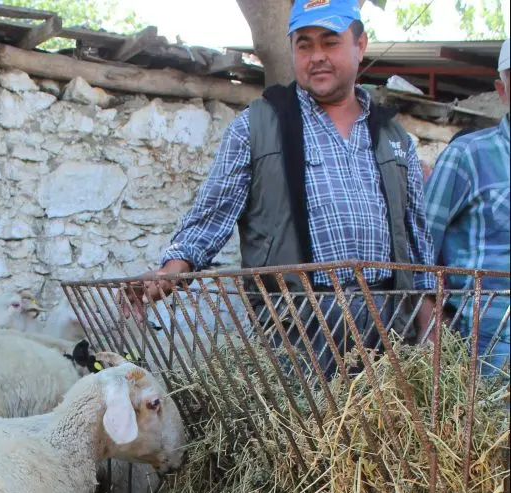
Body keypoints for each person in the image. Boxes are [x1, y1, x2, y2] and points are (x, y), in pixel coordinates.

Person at [124, 0, 436, 375]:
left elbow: (417, 245)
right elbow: (211, 216)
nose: (316, 56)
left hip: (385, 328)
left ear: (360, 45)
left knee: (381, 431)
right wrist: (169, 272)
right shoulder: (257, 126)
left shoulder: (392, 136)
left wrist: (430, 330)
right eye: (304, 44)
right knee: (305, 431)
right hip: (297, 329)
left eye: (330, 42)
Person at [424, 39, 510, 374]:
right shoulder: (468, 156)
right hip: (488, 349)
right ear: (502, 90)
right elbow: (419, 249)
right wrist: (430, 325)